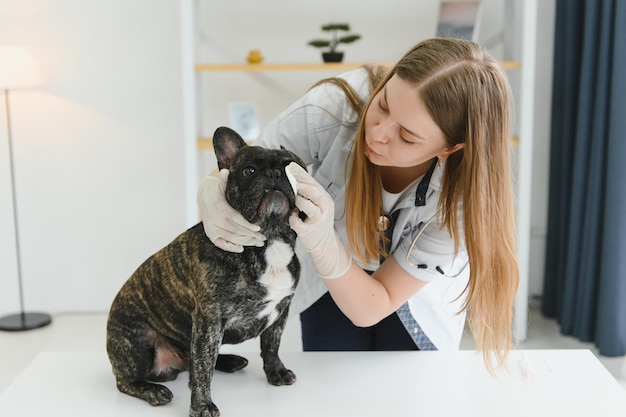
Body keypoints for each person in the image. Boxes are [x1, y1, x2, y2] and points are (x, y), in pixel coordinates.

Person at [197, 37, 519, 370]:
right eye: (383, 104)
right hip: (329, 280)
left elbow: (374, 305)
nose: (377, 133)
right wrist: (212, 193)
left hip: (413, 294)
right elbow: (246, 169)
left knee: (402, 381)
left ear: (449, 149)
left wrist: (324, 244)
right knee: (335, 376)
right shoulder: (333, 107)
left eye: (407, 136)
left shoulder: (463, 199)